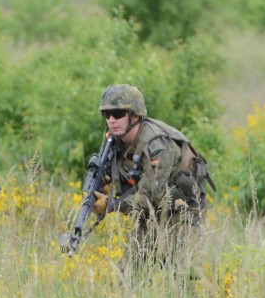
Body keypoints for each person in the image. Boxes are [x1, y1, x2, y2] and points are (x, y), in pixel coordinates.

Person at [90, 84, 216, 267]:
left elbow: (150, 199)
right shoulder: (113, 141)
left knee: (181, 277)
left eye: (117, 114)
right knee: (127, 275)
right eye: (106, 114)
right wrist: (104, 185)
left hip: (183, 212)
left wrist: (112, 205)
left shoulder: (157, 145)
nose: (111, 120)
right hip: (151, 214)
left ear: (134, 116)